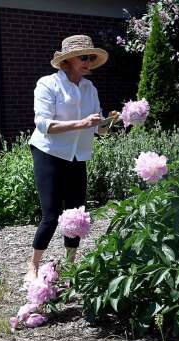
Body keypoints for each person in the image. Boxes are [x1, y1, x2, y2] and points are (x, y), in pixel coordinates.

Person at [24, 34, 116, 287]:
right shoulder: (48, 84)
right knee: (51, 215)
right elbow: (43, 125)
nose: (88, 61)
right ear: (69, 60)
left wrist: (109, 122)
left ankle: (71, 267)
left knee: (75, 213)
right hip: (49, 152)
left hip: (78, 155)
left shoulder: (90, 88)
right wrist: (82, 123)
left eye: (91, 57)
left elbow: (99, 130)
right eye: (83, 57)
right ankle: (32, 266)